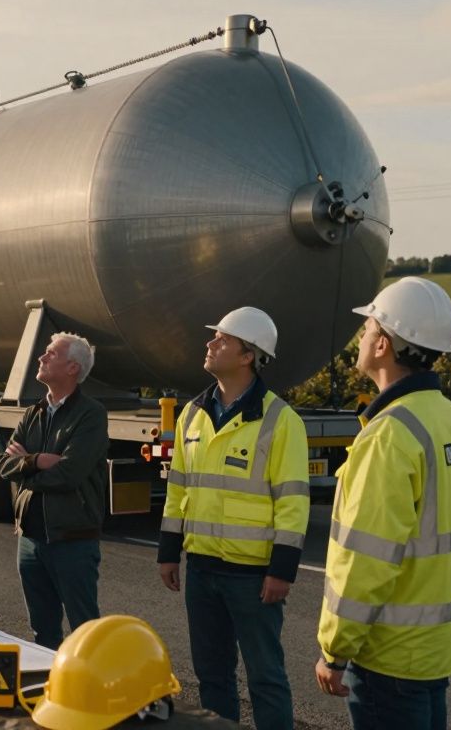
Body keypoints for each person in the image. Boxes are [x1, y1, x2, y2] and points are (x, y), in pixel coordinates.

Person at [314, 277, 451, 730]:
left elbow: (366, 558)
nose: (361, 337)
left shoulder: (390, 434)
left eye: (367, 327)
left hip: (388, 656)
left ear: (384, 345)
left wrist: (335, 649)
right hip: (436, 651)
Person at [157, 307, 310, 729]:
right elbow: (178, 490)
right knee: (212, 677)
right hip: (202, 568)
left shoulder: (282, 421)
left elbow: (293, 503)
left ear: (248, 356)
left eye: (221, 339)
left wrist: (282, 570)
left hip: (253, 575)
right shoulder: (192, 414)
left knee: (265, 678)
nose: (210, 343)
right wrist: (169, 552)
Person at [0, 332, 108, 650]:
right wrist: (38, 461)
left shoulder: (91, 414)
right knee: (42, 633)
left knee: (85, 632)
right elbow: (3, 465)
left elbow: (69, 475)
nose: (42, 357)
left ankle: (89, 695)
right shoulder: (34, 413)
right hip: (30, 540)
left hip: (72, 540)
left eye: (51, 353)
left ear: (72, 367)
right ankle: (50, 693)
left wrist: (25, 468)